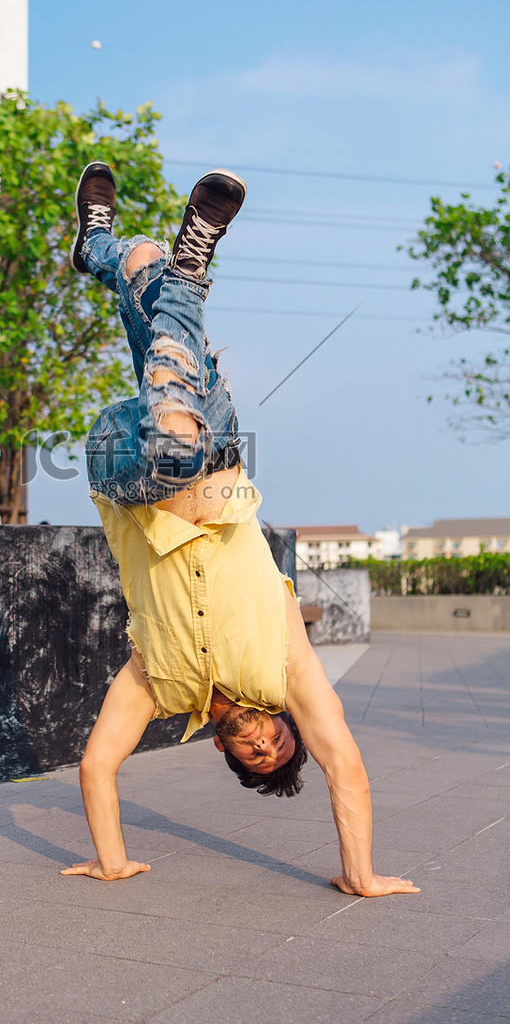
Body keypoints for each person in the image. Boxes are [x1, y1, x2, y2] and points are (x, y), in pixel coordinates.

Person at [60, 163, 419, 899]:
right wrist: (361, 874)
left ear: (225, 751)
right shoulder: (287, 665)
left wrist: (111, 858)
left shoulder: (157, 683)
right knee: (143, 268)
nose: (261, 740)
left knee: (170, 431)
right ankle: (108, 248)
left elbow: (97, 763)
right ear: (286, 722)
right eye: (276, 741)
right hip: (212, 437)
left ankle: (186, 269)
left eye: (253, 754)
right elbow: (344, 763)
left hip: (123, 464)